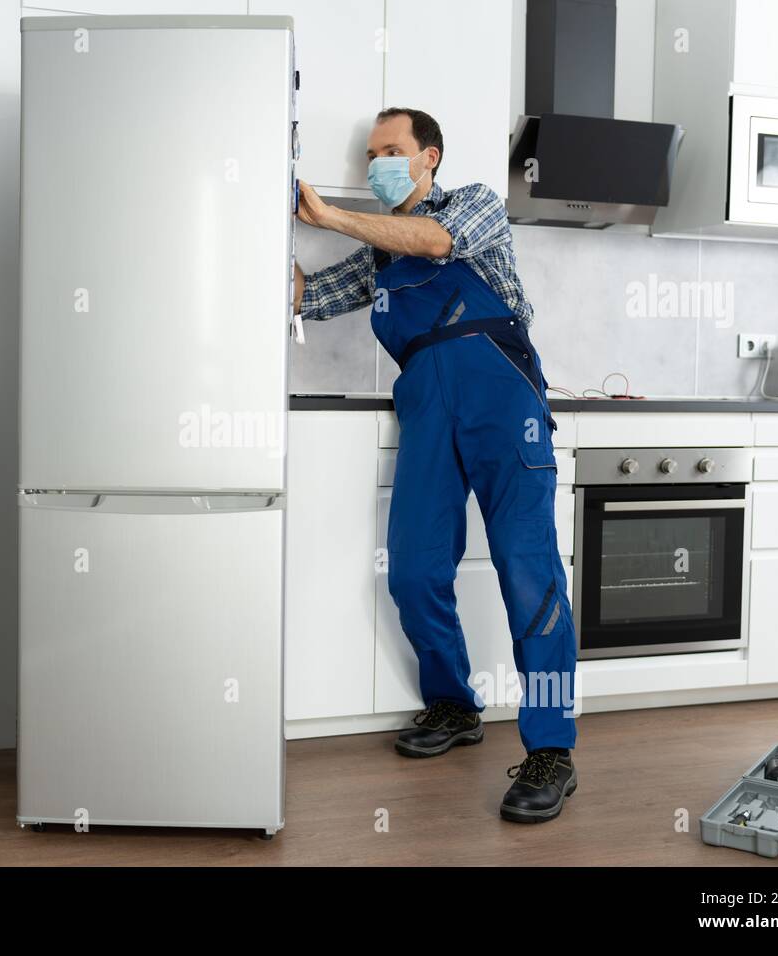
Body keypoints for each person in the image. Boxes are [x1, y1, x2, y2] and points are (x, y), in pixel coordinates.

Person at [294, 107, 578, 823]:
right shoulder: (378, 257)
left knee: (529, 574)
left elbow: (436, 240)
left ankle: (551, 748)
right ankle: (454, 704)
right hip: (427, 413)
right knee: (415, 569)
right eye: (369, 154)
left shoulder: (475, 203)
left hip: (501, 406)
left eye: (391, 150)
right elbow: (305, 296)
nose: (377, 164)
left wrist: (331, 217)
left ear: (430, 158)